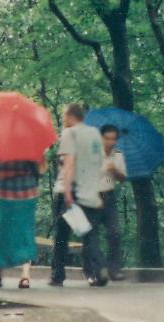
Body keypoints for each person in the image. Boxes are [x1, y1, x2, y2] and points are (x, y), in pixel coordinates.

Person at [50, 103, 109, 287]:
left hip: (70, 191)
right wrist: (98, 192)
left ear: (70, 115)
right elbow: (100, 164)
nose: (63, 119)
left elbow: (69, 163)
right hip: (90, 192)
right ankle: (98, 271)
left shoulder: (70, 133)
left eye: (64, 115)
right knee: (90, 234)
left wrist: (67, 191)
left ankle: (57, 275)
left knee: (61, 235)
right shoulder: (94, 134)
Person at [0, 150, 47, 290]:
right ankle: (25, 276)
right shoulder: (32, 142)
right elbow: (42, 169)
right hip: (27, 192)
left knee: (1, 232)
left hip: (4, 192)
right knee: (25, 232)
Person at [98, 124, 128, 280]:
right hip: (93, 196)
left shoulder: (118, 155)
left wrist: (114, 170)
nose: (110, 142)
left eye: (113, 139)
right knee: (92, 235)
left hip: (109, 196)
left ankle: (114, 269)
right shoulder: (94, 154)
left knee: (114, 232)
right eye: (107, 138)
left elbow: (123, 178)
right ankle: (96, 269)